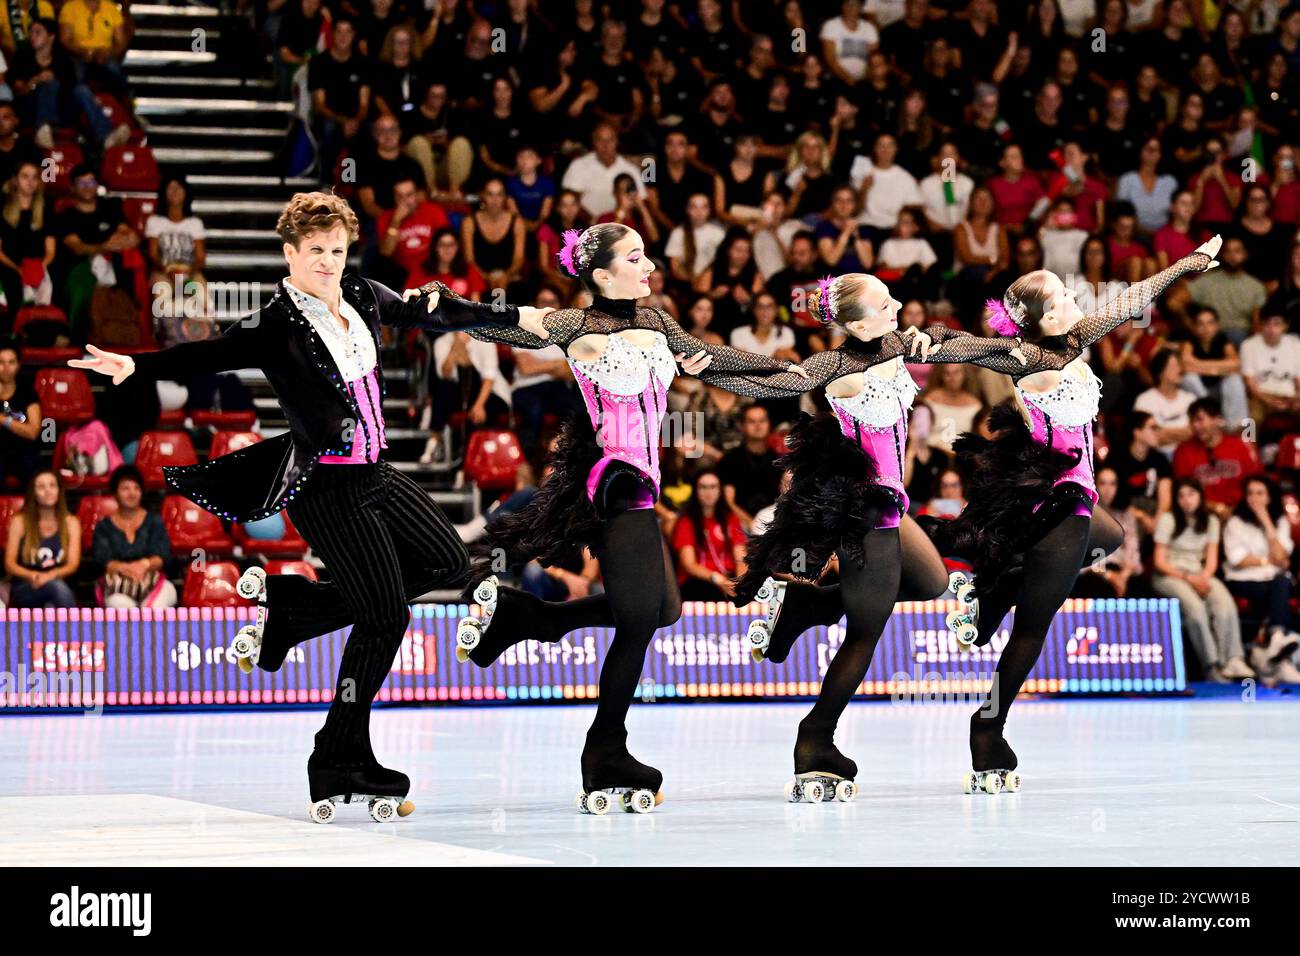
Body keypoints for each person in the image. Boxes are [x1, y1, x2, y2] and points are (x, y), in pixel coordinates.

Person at [70, 191, 550, 821]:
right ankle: (338, 756)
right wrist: (135, 362)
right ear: (290, 252)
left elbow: (426, 314)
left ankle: (293, 612)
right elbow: (208, 352)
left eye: (337, 249)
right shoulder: (276, 326)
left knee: (448, 563)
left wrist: (508, 318)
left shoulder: (364, 294)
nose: (328, 260)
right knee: (386, 618)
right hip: (326, 489)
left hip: (377, 473)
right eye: (316, 250)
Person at [451, 221, 807, 813]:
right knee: (640, 622)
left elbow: (714, 361)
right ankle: (605, 750)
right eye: (635, 258)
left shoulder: (657, 324)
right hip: (614, 479)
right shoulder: (577, 326)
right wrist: (440, 306)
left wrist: (780, 373)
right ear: (601, 273)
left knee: (661, 609)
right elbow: (501, 321)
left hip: (644, 481)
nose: (649, 267)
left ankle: (527, 617)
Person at [926, 238, 1221, 793]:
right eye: (1061, 295)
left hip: (1080, 499)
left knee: (1108, 537)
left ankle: (990, 595)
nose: (1073, 296)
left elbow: (1129, 299)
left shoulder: (1074, 342)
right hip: (1057, 500)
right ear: (1042, 318)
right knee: (1034, 627)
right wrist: (922, 342)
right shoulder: (1031, 359)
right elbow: (969, 348)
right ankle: (987, 729)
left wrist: (1187, 264)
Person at [727, 272, 1023, 799]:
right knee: (866, 630)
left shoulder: (893, 343)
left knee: (932, 581)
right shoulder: (836, 368)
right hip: (866, 512)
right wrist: (710, 364)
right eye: (885, 304)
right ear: (855, 322)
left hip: (894, 503)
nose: (898, 306)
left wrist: (939, 335)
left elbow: (943, 335)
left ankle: (809, 607)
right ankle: (815, 737)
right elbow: (773, 381)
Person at [1151, 477, 1252, 682]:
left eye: (1191, 494)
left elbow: (1212, 560)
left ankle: (1232, 659)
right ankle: (1211, 665)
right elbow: (1159, 562)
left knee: (1224, 602)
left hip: (1199, 573)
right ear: (1176, 500)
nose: (1187, 500)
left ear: (1200, 496)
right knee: (1195, 608)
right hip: (1170, 574)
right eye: (1181, 496)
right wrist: (1189, 579)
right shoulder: (1168, 520)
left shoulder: (1212, 521)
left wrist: (1203, 579)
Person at [1222, 475, 1300, 684]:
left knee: (1282, 581)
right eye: (1250, 493)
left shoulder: (1280, 521)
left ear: (1269, 497)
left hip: (1272, 581)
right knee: (1281, 584)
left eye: (1260, 493)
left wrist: (1266, 521)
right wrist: (1269, 560)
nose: (1254, 498)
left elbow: (1283, 556)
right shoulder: (1235, 522)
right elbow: (1238, 559)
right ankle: (1278, 641)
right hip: (1242, 580)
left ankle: (1275, 643)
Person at [90, 465, 175, 609]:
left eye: (136, 488)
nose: (132, 493)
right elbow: (102, 561)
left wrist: (144, 565)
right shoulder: (103, 527)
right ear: (114, 494)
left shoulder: (154, 521)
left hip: (153, 582)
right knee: (121, 607)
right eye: (125, 488)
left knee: (155, 609)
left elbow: (163, 556)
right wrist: (126, 569)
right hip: (117, 586)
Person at [1172, 397, 1261, 519]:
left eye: (1200, 419)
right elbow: (1182, 490)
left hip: (1240, 512)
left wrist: (1238, 509)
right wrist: (1214, 507)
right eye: (1192, 421)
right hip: (1200, 514)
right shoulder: (1183, 450)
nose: (1195, 426)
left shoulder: (1240, 446)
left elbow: (1256, 481)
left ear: (1217, 419)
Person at [4, 468, 79, 608]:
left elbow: (72, 565)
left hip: (61, 586)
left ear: (59, 490)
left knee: (51, 605)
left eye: (52, 485)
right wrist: (33, 575)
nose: (48, 491)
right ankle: (76, 629)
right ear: (33, 493)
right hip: (26, 586)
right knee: (56, 587)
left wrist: (50, 576)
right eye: (41, 487)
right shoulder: (20, 521)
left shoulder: (71, 523)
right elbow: (9, 564)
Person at [672, 469, 747, 601]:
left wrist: (740, 583)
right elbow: (689, 564)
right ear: (695, 491)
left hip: (728, 578)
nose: (708, 492)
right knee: (708, 591)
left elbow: (740, 558)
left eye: (713, 487)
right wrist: (718, 580)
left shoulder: (731, 518)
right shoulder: (686, 521)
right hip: (699, 581)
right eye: (703, 487)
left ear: (720, 490)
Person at [1132, 350, 1196, 456]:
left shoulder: (1190, 399)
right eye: (1173, 367)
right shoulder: (1144, 400)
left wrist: (1164, 432)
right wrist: (1184, 433)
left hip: (1188, 455)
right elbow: (1147, 436)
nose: (1179, 370)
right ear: (1160, 373)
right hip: (1157, 456)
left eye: (1179, 366)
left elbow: (1195, 432)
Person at [0, 339, 40, 487]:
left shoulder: (27, 393)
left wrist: (3, 419)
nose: (6, 368)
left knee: (36, 470)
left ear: (18, 365)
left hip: (23, 453)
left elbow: (33, 432)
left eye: (11, 362)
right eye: (1, 362)